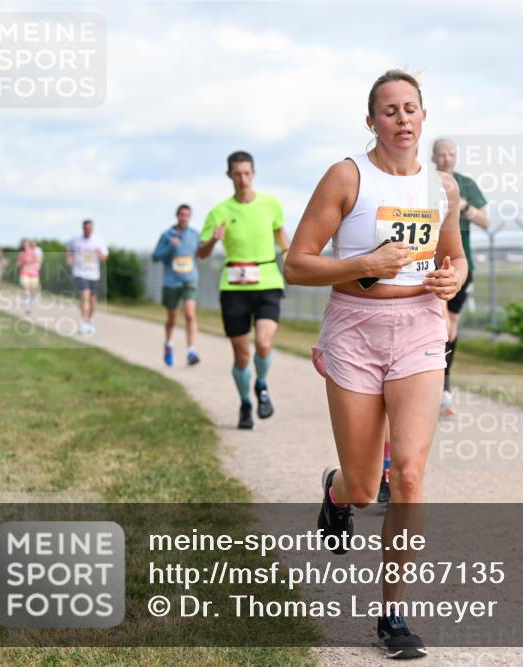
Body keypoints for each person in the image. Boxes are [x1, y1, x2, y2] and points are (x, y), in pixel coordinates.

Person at [284, 69, 465, 660]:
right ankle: (337, 492)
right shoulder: (347, 177)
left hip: (419, 328)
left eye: (411, 108)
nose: (402, 118)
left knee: (408, 474)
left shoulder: (442, 187)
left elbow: (456, 258)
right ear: (372, 121)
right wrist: (366, 263)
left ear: (424, 116)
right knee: (365, 488)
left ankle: (392, 614)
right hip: (356, 330)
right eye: (390, 110)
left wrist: (451, 278)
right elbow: (297, 264)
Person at [199, 151, 288, 430]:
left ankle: (261, 385)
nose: (243, 179)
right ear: (229, 175)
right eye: (237, 174)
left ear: (254, 174)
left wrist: (290, 255)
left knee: (263, 343)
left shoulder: (271, 204)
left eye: (247, 173)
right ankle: (246, 404)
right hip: (234, 286)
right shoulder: (219, 212)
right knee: (241, 355)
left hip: (268, 281)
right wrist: (212, 241)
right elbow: (201, 253)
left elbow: (281, 235)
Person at [430, 138, 489, 415]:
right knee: (439, 323)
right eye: (441, 155)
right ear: (433, 157)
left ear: (456, 156)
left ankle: (443, 387)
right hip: (430, 263)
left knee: (450, 327)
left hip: (461, 265)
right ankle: (431, 387)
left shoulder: (466, 185)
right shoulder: (425, 181)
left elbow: (485, 221)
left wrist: (461, 205)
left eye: (451, 154)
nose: (446, 159)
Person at [152, 204, 201, 366]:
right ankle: (168, 344)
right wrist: (169, 246)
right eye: (182, 215)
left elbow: (201, 254)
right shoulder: (166, 235)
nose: (184, 218)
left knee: (190, 314)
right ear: (177, 216)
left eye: (187, 215)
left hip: (189, 279)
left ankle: (191, 351)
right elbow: (155, 257)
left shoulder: (195, 235)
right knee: (172, 318)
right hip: (171, 282)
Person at [66, 219, 109, 335]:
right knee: (85, 295)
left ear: (92, 229)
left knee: (93, 301)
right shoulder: (76, 240)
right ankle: (84, 322)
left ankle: (89, 321)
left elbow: (105, 257)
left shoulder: (98, 241)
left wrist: (99, 254)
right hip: (80, 272)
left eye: (90, 228)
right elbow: (68, 247)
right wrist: (69, 258)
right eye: (86, 228)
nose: (88, 230)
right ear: (83, 228)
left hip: (94, 274)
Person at [17, 239, 42, 313]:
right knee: (26, 288)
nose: (25, 246)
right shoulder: (21, 253)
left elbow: (38, 261)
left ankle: (27, 300)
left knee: (33, 290)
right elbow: (19, 262)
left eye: (26, 244)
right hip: (24, 272)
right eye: (24, 244)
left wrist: (35, 266)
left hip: (34, 273)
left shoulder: (34, 252)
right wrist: (20, 263)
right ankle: (27, 307)